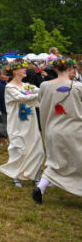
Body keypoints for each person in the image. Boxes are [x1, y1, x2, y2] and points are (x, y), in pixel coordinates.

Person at [33, 58, 82, 204]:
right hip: (75, 129)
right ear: (71, 69)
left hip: (52, 129)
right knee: (77, 161)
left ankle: (41, 188)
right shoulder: (78, 87)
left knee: (54, 160)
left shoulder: (44, 86)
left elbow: (40, 103)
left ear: (54, 69)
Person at [0, 58, 44, 188]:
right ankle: (16, 175)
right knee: (19, 149)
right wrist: (38, 95)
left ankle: (35, 175)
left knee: (37, 149)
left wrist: (48, 90)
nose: (25, 70)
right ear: (15, 71)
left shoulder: (26, 85)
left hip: (31, 124)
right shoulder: (9, 87)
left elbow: (39, 90)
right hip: (18, 124)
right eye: (23, 68)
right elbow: (21, 98)